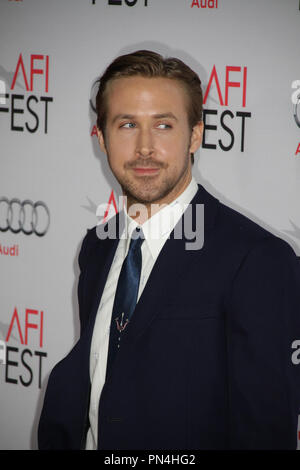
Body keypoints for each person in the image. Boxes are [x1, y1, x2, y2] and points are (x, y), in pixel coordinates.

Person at [38, 50, 300, 450]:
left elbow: (264, 433)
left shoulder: (258, 260)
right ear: (102, 136)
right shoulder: (97, 246)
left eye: (163, 125)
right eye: (127, 124)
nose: (145, 147)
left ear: (195, 135)